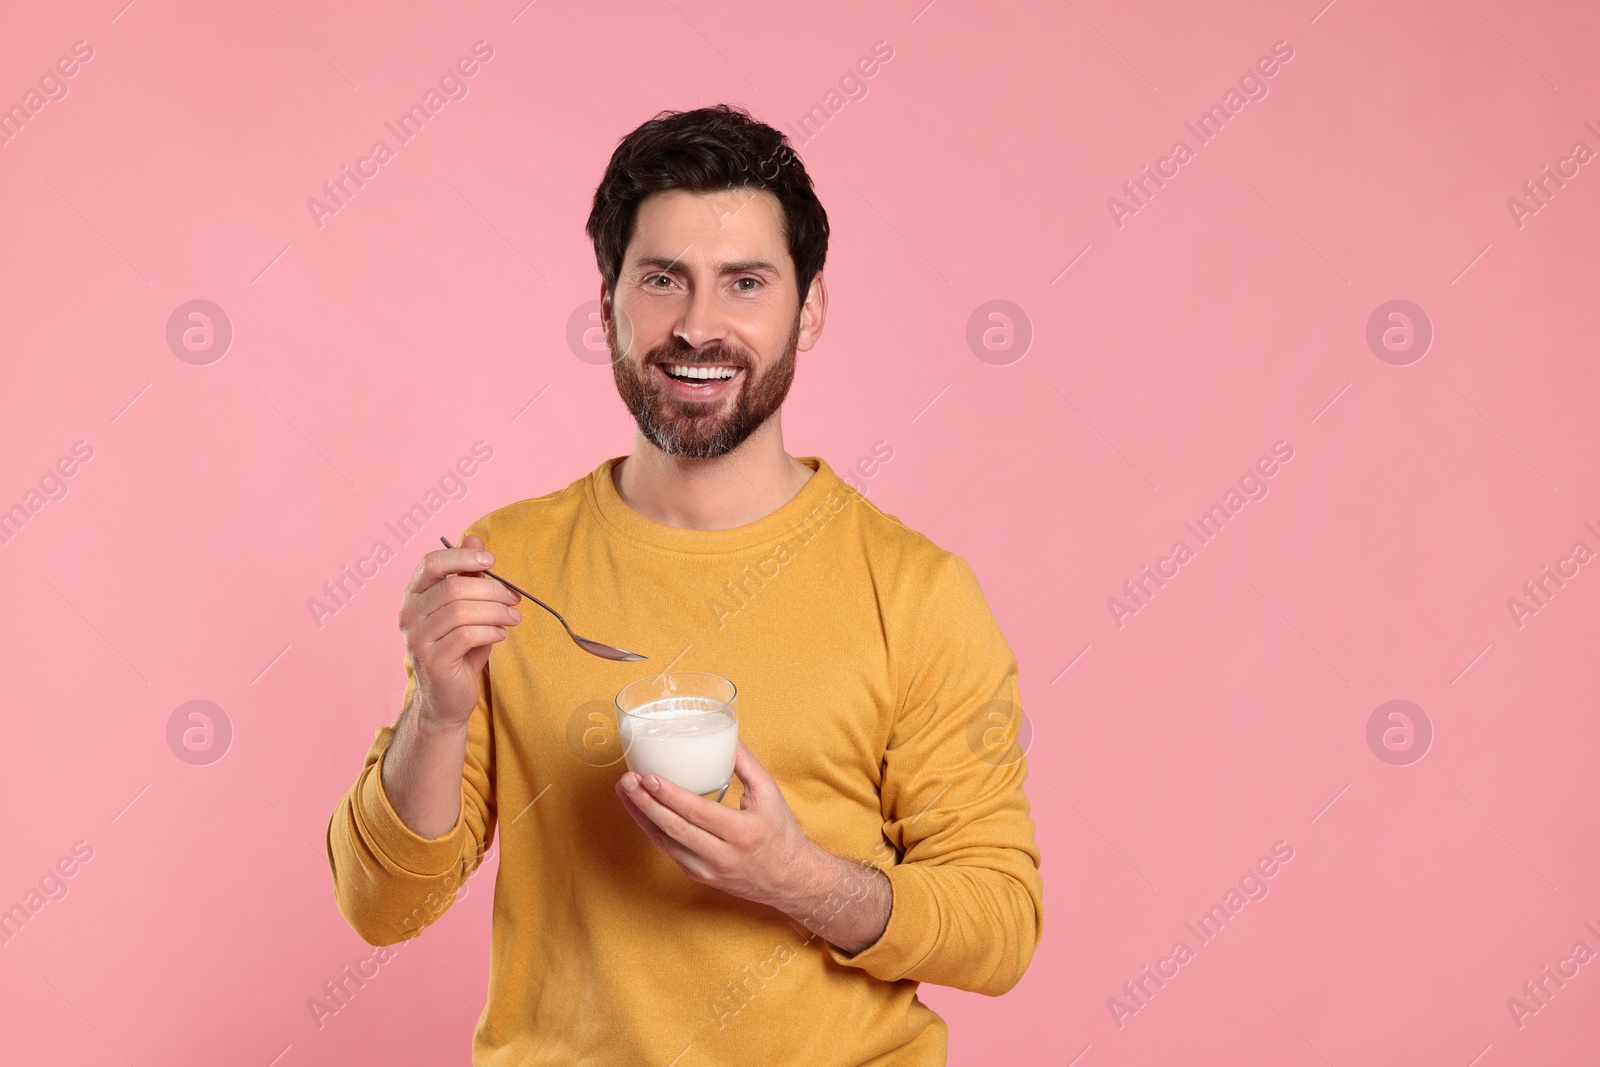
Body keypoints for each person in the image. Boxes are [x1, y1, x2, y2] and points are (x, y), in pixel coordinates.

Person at [325, 102, 1043, 1065]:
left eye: (745, 282)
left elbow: (1000, 924)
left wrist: (802, 879)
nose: (698, 326)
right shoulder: (510, 566)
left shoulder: (915, 591)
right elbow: (380, 906)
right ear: (608, 302)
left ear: (811, 308)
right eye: (662, 279)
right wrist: (441, 712)